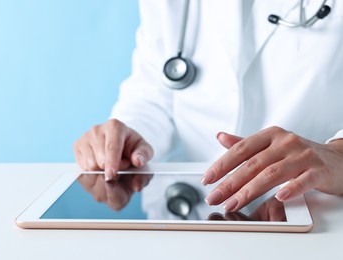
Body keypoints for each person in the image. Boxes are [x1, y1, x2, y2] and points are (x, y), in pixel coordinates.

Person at [73, 0, 343, 212]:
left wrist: (338, 154)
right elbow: (156, 87)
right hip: (192, 208)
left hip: (316, 204)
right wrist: (129, 134)